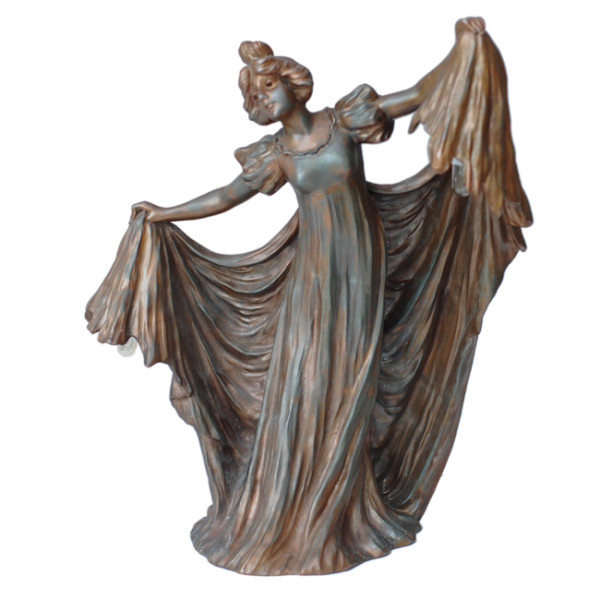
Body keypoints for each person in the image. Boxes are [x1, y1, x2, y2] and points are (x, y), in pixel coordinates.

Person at [87, 17, 531, 575]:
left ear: (293, 82)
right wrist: (166, 212)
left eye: (267, 86)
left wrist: (465, 51)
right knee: (305, 378)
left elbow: (417, 95)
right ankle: (288, 505)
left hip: (361, 269)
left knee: (348, 383)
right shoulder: (276, 153)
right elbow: (226, 196)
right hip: (315, 274)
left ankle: (339, 509)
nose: (261, 99)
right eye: (253, 95)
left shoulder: (343, 122)